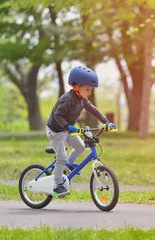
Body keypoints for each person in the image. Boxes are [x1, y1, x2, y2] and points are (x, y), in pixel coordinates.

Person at [46, 66, 115, 196]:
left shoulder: (82, 100)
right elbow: (57, 116)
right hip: (56, 130)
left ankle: (68, 165)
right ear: (76, 86)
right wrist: (67, 126)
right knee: (61, 157)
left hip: (67, 129)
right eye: (87, 89)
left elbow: (94, 110)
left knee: (81, 147)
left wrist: (106, 122)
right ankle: (57, 185)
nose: (90, 92)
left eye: (91, 90)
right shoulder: (68, 98)